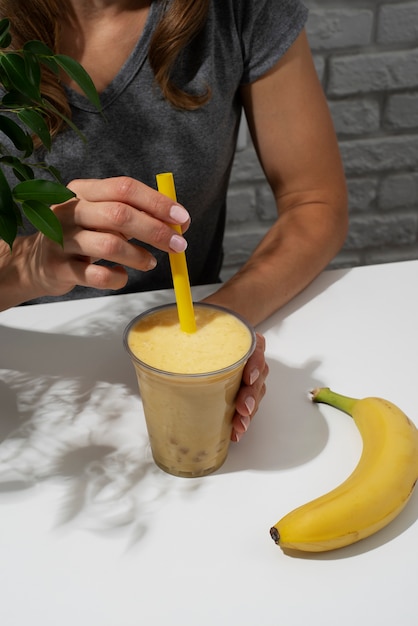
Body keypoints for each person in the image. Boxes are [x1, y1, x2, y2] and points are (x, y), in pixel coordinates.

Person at [0, 0, 348, 442]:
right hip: (24, 390)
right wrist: (23, 266)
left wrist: (218, 326)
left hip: (184, 357)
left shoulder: (237, 11)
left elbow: (314, 201)